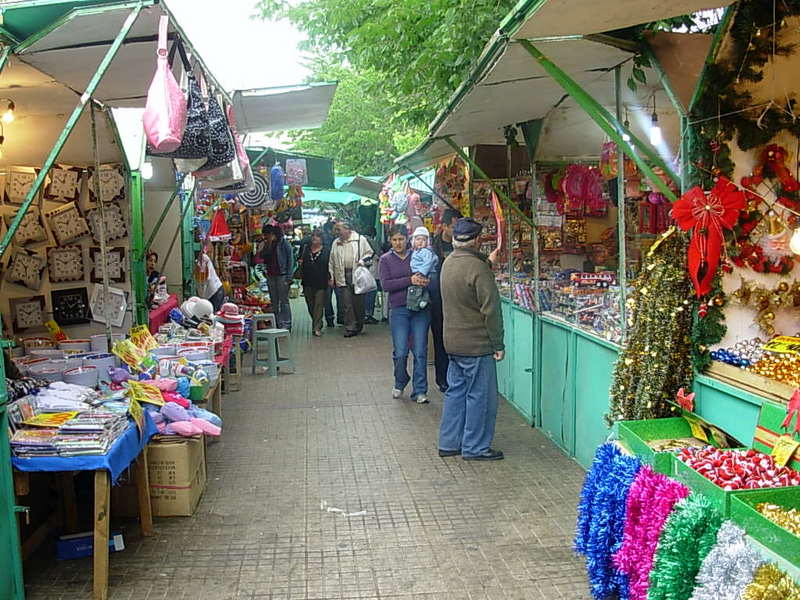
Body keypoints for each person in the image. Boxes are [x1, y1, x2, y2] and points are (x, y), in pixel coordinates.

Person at [438, 218, 505, 461]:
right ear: (477, 240)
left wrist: (488, 262)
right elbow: (491, 310)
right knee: (481, 396)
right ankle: (475, 447)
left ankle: (449, 442)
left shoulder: (448, 263)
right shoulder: (478, 269)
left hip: (452, 342)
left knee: (456, 392)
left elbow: (466, 276)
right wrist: (498, 343)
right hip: (476, 344)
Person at [379, 224, 431, 404]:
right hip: (399, 309)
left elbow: (428, 272)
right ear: (390, 241)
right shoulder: (385, 260)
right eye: (394, 240)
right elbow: (386, 285)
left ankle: (420, 390)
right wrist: (409, 280)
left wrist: (424, 280)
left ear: (407, 239)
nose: (398, 243)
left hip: (419, 309)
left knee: (420, 350)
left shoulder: (418, 254)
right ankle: (400, 380)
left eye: (401, 239)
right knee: (401, 351)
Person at [430, 208, 461, 392]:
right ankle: (442, 378)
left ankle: (455, 376)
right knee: (440, 338)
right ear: (444, 226)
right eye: (453, 227)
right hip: (438, 300)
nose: (456, 231)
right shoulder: (433, 246)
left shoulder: (462, 245)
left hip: (458, 299)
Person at [328, 220, 374, 337]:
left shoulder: (360, 239)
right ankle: (350, 327)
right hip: (342, 275)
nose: (337, 232)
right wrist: (331, 276)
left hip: (357, 274)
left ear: (348, 229)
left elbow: (369, 253)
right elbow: (331, 261)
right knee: (346, 302)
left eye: (339, 229)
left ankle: (359, 323)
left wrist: (362, 261)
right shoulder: (336, 243)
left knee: (358, 301)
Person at [259, 225, 294, 330]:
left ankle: (286, 324)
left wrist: (289, 277)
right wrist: (266, 245)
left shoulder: (284, 244)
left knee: (284, 301)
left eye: (267, 235)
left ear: (272, 234)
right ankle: (278, 323)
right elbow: (262, 257)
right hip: (270, 276)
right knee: (274, 302)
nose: (266, 237)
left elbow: (291, 260)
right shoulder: (267, 244)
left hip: (282, 276)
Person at [298, 229, 330, 337]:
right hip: (307, 281)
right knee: (310, 304)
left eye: (317, 236)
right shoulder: (306, 249)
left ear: (322, 239)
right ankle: (317, 321)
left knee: (319, 305)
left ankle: (316, 327)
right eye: (313, 236)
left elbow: (330, 265)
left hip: (321, 281)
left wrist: (331, 278)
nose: (314, 238)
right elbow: (300, 261)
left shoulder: (327, 250)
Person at [407, 226, 438, 311]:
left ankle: (424, 299)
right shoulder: (415, 251)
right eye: (418, 239)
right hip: (418, 272)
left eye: (423, 240)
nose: (420, 242)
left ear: (427, 242)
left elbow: (428, 263)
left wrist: (422, 272)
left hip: (425, 273)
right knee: (418, 286)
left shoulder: (426, 251)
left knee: (423, 286)